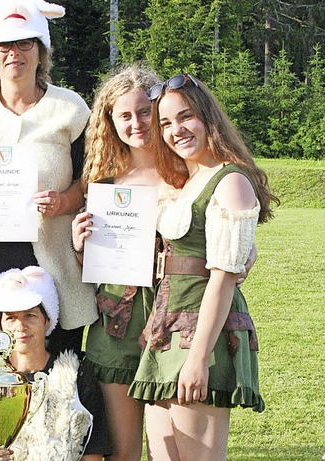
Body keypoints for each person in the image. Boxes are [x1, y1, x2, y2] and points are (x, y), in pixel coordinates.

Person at [126, 73, 277, 460]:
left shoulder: (229, 181)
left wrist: (198, 360)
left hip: (200, 334)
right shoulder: (187, 180)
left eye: (185, 117)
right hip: (166, 328)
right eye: (165, 123)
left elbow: (223, 281)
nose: (176, 130)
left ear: (208, 117)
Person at [0, 0, 97, 359]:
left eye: (25, 43)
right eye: (4, 46)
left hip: (55, 267)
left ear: (41, 51)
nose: (14, 53)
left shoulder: (71, 109)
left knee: (58, 379)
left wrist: (62, 202)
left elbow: (89, 180)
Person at [71, 64, 171, 461]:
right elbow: (93, 270)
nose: (137, 123)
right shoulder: (102, 182)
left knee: (169, 450)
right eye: (124, 115)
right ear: (110, 121)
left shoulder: (185, 173)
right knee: (124, 453)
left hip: (174, 318)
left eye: (145, 111)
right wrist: (81, 248)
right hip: (115, 323)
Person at [0, 266, 112, 461]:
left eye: (30, 315)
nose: (20, 327)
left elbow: (92, 455)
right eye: (11, 318)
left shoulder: (77, 378)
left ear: (47, 320)